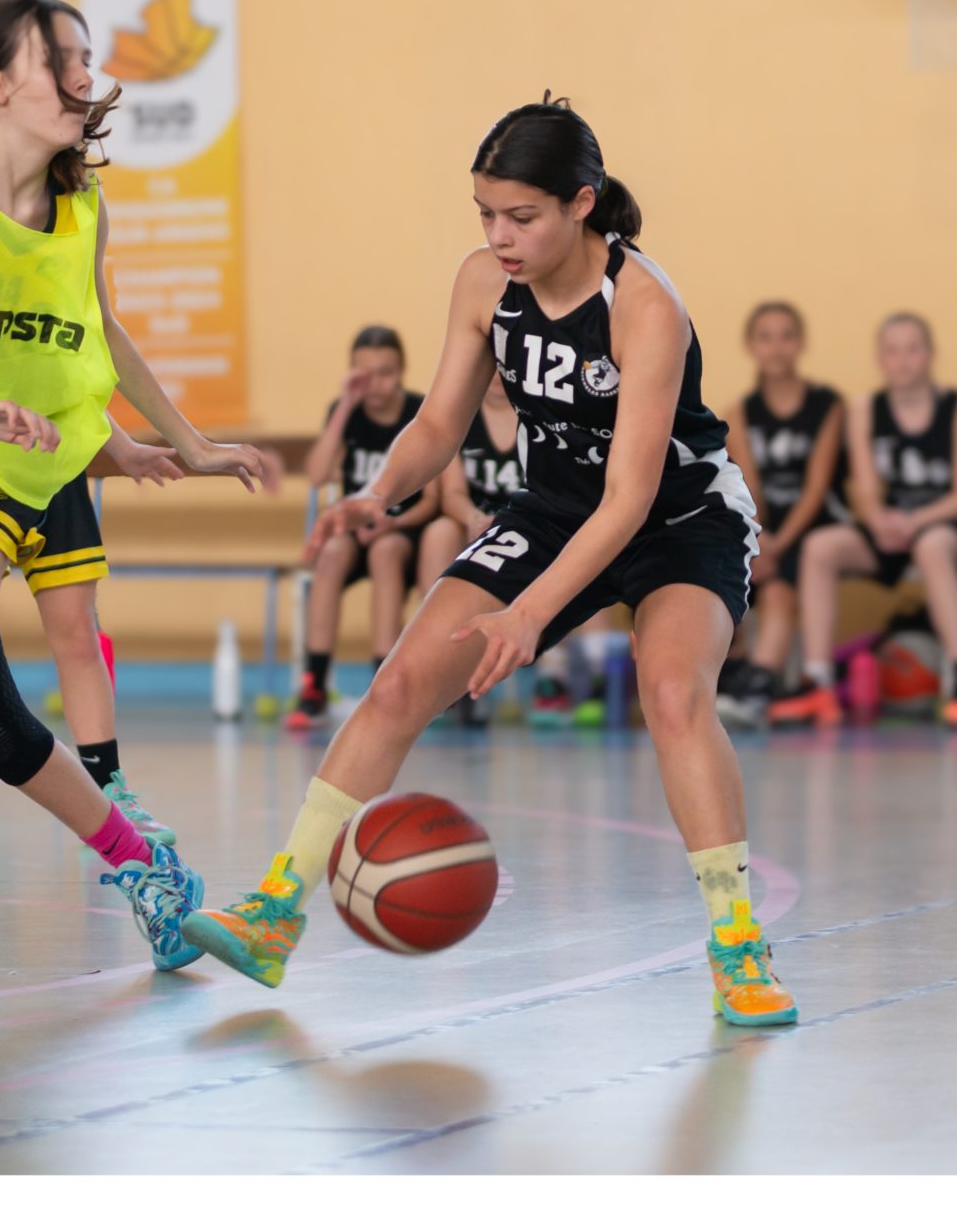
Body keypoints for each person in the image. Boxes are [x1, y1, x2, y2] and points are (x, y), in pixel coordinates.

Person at [180, 98, 797, 1025]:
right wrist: (378, 495)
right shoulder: (484, 284)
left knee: (673, 694)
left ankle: (738, 947)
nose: (499, 237)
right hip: (553, 509)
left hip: (680, 516)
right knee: (398, 684)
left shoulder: (644, 307)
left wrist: (529, 613)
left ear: (582, 204)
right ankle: (274, 911)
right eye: (485, 215)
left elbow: (629, 500)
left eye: (521, 217)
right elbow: (438, 423)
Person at [0, 0, 280, 1006]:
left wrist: (187, 442)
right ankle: (144, 867)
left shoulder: (82, 205)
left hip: (11, 450)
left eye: (86, 57)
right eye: (60, 58)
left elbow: (96, 331)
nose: (84, 76)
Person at [0, 440, 185, 849]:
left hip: (52, 461)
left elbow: (86, 394)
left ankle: (107, 789)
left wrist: (128, 443)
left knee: (77, 633)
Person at [787, 313, 957, 729]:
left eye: (913, 349)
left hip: (951, 520)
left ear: (931, 355)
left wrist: (914, 521)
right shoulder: (865, 408)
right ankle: (818, 680)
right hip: (894, 525)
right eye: (892, 350)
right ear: (879, 358)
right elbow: (866, 490)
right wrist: (878, 520)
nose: (903, 360)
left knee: (932, 546)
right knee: (819, 547)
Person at [288, 326, 436, 730]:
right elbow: (317, 475)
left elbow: (433, 499)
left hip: (405, 527)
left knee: (385, 553)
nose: (376, 384)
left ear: (402, 371)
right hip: (358, 530)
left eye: (386, 372)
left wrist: (393, 522)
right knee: (332, 552)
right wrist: (344, 407)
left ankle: (381, 680)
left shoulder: (419, 413)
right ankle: (314, 683)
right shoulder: (346, 410)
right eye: (364, 374)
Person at [720, 301, 846, 728]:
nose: (776, 347)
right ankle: (749, 678)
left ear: (801, 343)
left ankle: (758, 683)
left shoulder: (827, 404)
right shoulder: (740, 412)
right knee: (764, 583)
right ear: (751, 346)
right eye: (766, 337)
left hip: (812, 526)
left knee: (787, 570)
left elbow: (816, 488)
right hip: (766, 529)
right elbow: (749, 486)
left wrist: (778, 543)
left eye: (786, 336)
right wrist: (760, 539)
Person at [420, 374, 528, 726]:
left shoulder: (536, 413)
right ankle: (440, 660)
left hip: (530, 529)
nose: (494, 375)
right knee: (438, 533)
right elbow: (452, 494)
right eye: (488, 364)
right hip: (476, 524)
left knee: (574, 541)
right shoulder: (461, 417)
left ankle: (560, 679)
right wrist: (473, 518)